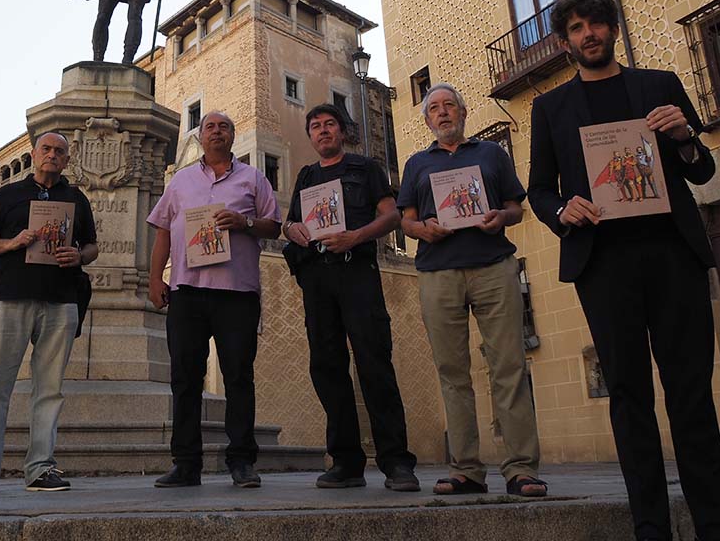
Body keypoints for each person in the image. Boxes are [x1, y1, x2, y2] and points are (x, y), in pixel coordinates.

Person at [528, 0, 720, 541]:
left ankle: (714, 527)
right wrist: (561, 209)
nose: (587, 33)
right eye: (574, 27)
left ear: (613, 29)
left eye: (595, 22)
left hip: (673, 255)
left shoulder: (660, 86)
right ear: (564, 41)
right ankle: (650, 528)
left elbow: (702, 171)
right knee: (629, 395)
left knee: (690, 391)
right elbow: (540, 190)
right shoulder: (550, 108)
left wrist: (686, 137)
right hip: (604, 264)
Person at [397, 84, 545, 497]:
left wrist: (502, 216)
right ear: (427, 120)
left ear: (463, 112)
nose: (443, 113)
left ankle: (521, 469)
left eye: (449, 106)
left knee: (509, 367)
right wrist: (422, 228)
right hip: (437, 272)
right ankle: (465, 470)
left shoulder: (491, 154)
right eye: (435, 109)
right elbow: (405, 220)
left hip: (494, 268)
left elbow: (517, 206)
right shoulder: (415, 164)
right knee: (451, 373)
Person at [282, 103, 418, 491]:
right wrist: (292, 230)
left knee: (375, 363)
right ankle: (345, 462)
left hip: (357, 272)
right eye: (316, 126)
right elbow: (293, 220)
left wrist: (354, 237)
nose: (323, 131)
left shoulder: (366, 168)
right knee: (327, 367)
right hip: (318, 279)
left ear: (342, 132)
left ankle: (396, 463)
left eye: (329, 125)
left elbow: (392, 216)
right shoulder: (306, 176)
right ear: (310, 136)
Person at [0, 132, 98, 494]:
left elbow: (92, 246)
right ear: (35, 155)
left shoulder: (76, 198)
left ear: (67, 160)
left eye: (60, 152)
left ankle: (41, 468)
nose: (52, 155)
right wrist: (12, 242)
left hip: (61, 300)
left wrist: (79, 256)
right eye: (47, 149)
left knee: (50, 390)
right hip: (9, 299)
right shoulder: (7, 194)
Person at [147, 111, 281, 488]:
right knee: (185, 378)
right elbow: (161, 233)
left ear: (233, 136)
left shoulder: (254, 178)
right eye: (210, 126)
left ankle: (241, 461)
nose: (217, 131)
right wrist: (156, 278)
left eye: (224, 126)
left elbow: (274, 225)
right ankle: (186, 464)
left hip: (237, 293)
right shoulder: (180, 181)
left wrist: (245, 223)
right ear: (201, 136)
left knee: (239, 376)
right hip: (187, 292)